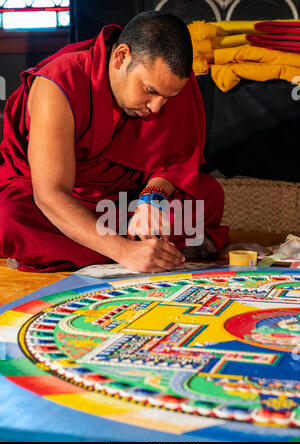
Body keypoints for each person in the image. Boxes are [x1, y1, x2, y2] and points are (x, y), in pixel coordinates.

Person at [0, 11, 229, 273]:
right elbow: (50, 195)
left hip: (124, 201)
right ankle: (141, 248)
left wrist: (152, 199)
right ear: (121, 57)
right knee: (8, 219)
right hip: (64, 199)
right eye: (149, 91)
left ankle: (87, 249)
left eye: (167, 98)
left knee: (207, 196)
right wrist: (124, 252)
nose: (155, 108)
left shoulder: (171, 83)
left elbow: (173, 162)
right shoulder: (60, 83)